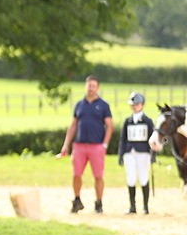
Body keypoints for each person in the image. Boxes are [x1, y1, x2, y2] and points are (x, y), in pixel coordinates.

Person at [58, 75, 112, 214]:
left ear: (97, 88)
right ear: (85, 86)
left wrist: (105, 144)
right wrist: (66, 144)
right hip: (79, 145)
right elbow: (73, 125)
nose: (91, 88)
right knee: (76, 174)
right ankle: (77, 200)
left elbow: (110, 126)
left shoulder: (104, 106)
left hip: (96, 146)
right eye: (89, 85)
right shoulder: (79, 105)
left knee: (98, 176)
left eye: (94, 86)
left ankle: (99, 202)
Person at [118, 92, 156, 214]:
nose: (135, 106)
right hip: (130, 153)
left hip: (143, 153)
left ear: (142, 105)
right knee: (131, 177)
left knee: (144, 177)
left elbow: (153, 139)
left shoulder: (148, 121)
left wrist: (153, 155)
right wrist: (121, 155)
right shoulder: (127, 121)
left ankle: (145, 206)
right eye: (133, 104)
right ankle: (132, 206)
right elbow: (123, 139)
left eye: (137, 104)